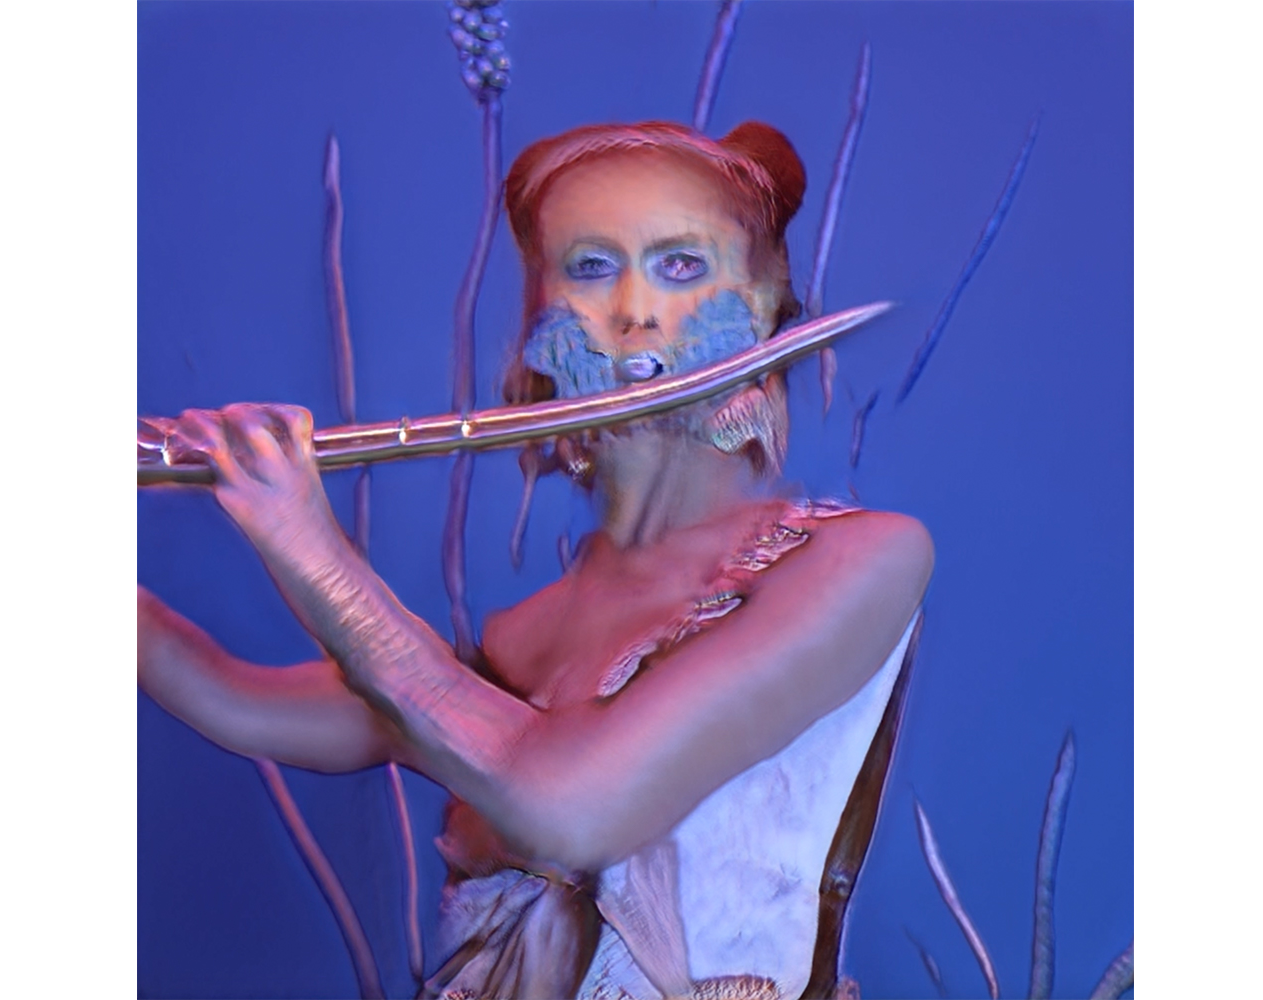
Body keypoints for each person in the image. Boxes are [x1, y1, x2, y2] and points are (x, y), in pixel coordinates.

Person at [138, 120, 933, 1000]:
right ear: (538, 331)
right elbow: (233, 697)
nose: (634, 312)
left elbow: (570, 808)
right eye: (590, 266)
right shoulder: (524, 633)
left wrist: (308, 547)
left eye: (681, 266)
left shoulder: (859, 561)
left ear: (765, 317)